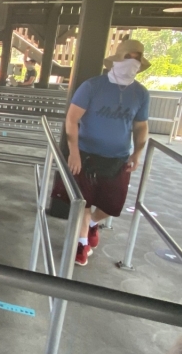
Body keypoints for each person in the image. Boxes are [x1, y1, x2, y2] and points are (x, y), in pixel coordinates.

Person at [64, 39, 151, 266]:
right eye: (128, 57)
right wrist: (74, 152)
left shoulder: (141, 94)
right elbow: (72, 119)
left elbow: (141, 126)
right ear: (116, 59)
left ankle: (94, 223)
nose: (132, 62)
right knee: (83, 202)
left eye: (137, 59)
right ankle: (82, 243)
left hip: (118, 157)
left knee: (111, 205)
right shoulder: (92, 87)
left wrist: (137, 152)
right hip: (87, 154)